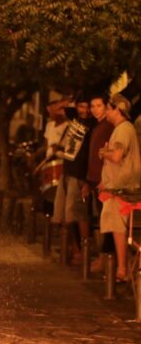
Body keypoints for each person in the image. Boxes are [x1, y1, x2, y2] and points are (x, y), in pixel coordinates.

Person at [98, 94, 141, 282]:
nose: (106, 112)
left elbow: (116, 157)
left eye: (108, 108)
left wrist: (103, 152)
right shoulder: (123, 129)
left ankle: (122, 270)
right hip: (118, 188)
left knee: (118, 228)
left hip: (122, 191)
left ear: (117, 109)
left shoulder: (123, 129)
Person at [51, 95, 94, 264]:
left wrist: (88, 180)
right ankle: (75, 250)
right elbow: (53, 110)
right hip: (66, 171)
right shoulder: (74, 116)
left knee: (78, 214)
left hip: (80, 174)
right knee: (63, 216)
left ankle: (84, 252)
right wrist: (70, 99)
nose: (86, 110)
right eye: (82, 107)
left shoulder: (94, 123)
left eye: (88, 107)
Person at [82, 94, 114, 272]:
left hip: (104, 181)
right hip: (94, 180)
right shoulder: (98, 126)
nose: (94, 109)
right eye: (92, 106)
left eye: (99, 105)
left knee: (107, 222)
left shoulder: (109, 126)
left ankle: (106, 259)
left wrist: (104, 179)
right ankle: (103, 257)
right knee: (102, 220)